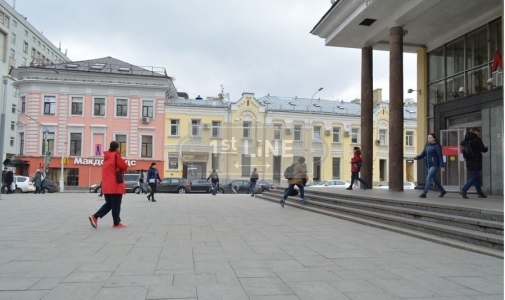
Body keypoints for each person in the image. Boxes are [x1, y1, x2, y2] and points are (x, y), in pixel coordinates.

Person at [88, 141, 128, 229]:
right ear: (117, 148)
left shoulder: (107, 157)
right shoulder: (115, 156)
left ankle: (96, 217)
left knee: (109, 204)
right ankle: (114, 223)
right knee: (116, 205)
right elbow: (124, 166)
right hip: (115, 185)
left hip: (106, 185)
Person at [414, 133, 446, 198]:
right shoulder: (427, 146)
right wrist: (417, 157)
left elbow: (440, 156)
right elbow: (423, 154)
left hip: (435, 164)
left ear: (434, 138)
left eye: (430, 138)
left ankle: (424, 193)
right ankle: (442, 191)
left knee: (429, 178)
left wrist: (442, 166)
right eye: (428, 138)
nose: (429, 139)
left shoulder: (436, 146)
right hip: (428, 164)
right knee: (434, 179)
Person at [460, 128, 489, 199]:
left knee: (476, 177)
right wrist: (486, 148)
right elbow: (483, 149)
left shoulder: (465, 140)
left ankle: (480, 193)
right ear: (475, 132)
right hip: (476, 160)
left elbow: (461, 144)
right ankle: (464, 190)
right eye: (478, 132)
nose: (478, 134)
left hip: (469, 160)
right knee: (474, 177)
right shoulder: (477, 139)